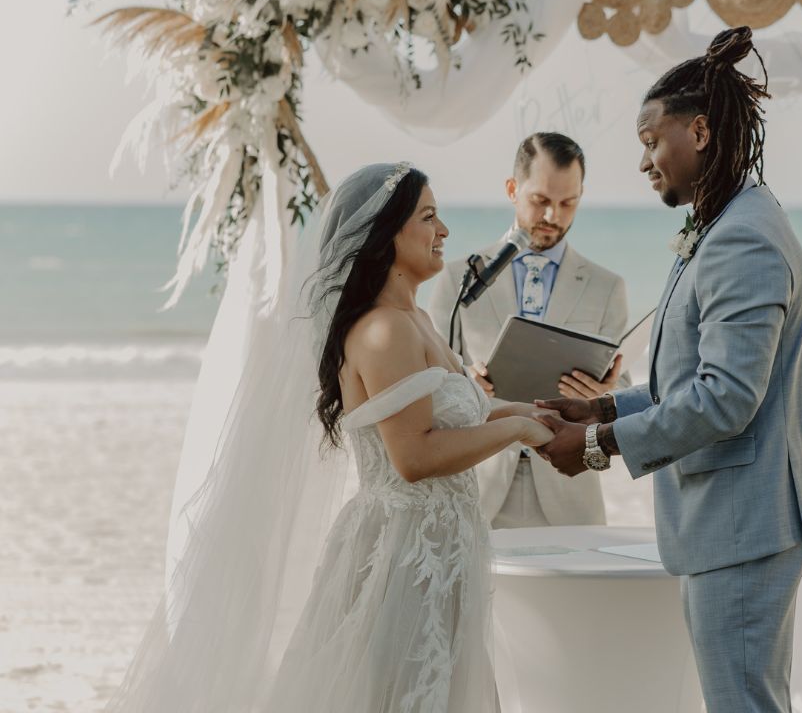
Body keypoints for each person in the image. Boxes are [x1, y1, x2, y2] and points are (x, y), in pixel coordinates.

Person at [105, 163, 552, 713]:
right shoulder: (384, 330)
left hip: (445, 549)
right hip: (404, 553)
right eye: (429, 217)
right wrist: (518, 430)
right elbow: (413, 456)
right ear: (385, 235)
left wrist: (547, 414)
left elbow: (470, 412)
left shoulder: (418, 321)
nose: (445, 232)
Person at [534, 28, 802, 713]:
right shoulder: (726, 219)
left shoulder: (744, 239)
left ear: (698, 131)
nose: (643, 162)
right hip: (733, 520)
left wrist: (595, 449)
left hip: (745, 522)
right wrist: (604, 410)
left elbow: (727, 400)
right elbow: (694, 384)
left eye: (650, 141)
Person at [428, 132, 630, 529]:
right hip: (475, 484)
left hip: (569, 491)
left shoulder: (609, 287)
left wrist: (602, 395)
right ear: (512, 189)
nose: (553, 216)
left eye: (568, 202)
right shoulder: (456, 278)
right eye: (540, 200)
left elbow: (623, 392)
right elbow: (429, 386)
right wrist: (465, 382)